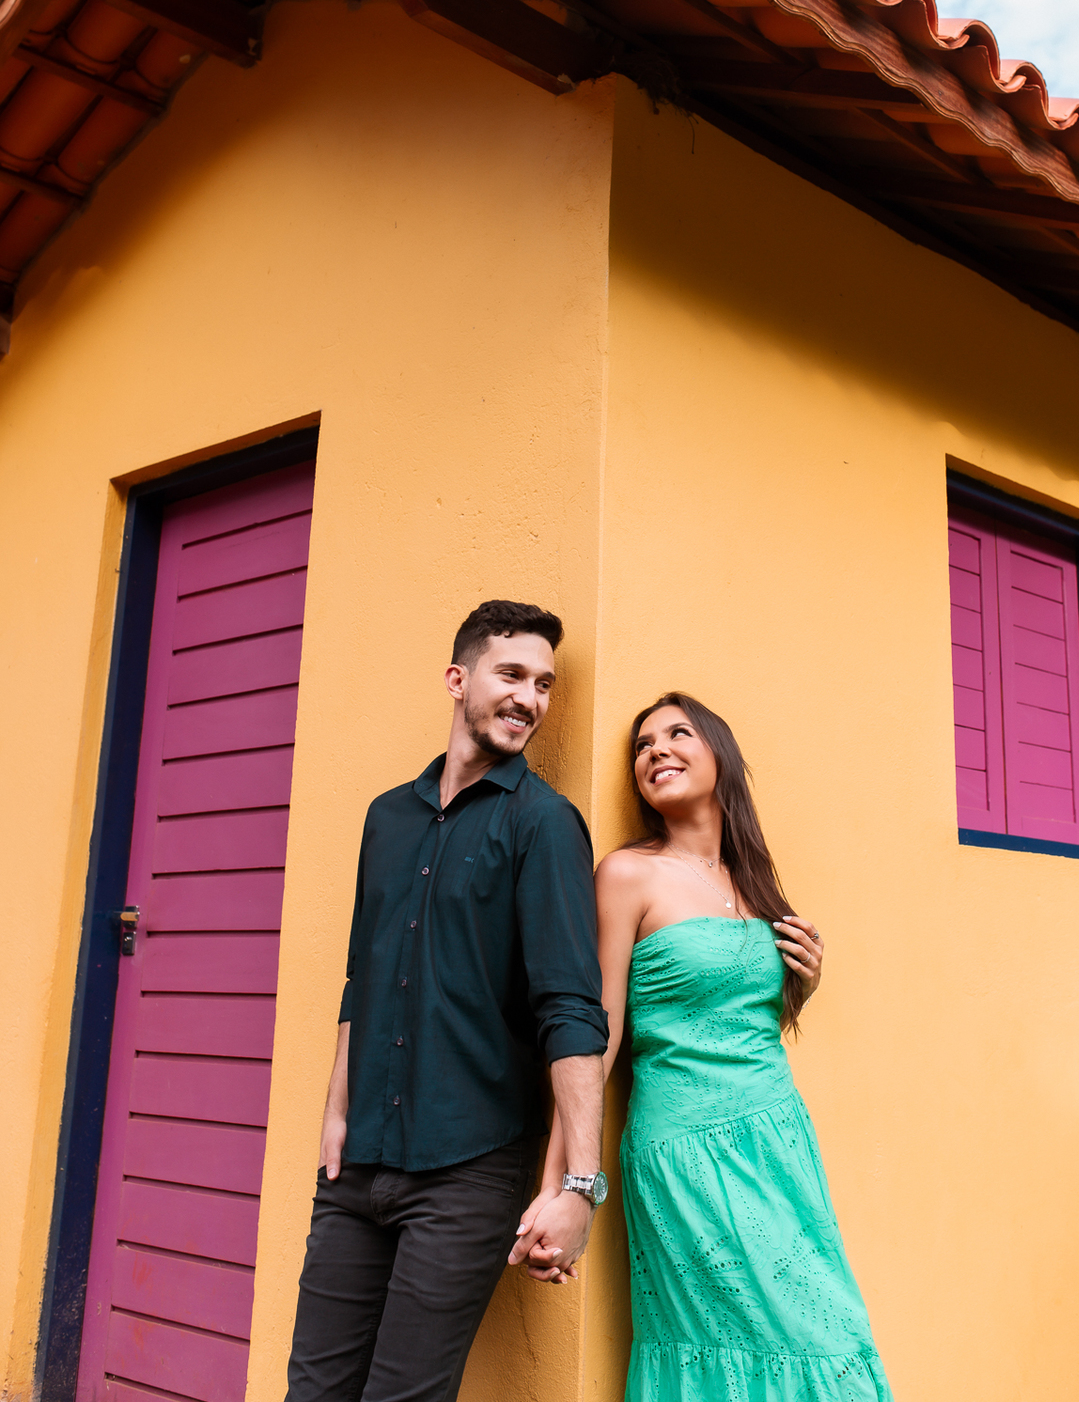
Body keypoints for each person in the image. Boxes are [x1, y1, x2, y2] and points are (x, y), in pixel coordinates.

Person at [512, 691, 893, 1401]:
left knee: (830, 1333)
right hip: (688, 1151)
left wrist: (801, 988)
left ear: (720, 754)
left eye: (677, 733)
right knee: (774, 1341)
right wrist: (564, 1187)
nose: (655, 750)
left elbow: (734, 1016)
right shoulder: (628, 875)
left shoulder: (752, 884)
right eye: (642, 744)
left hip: (779, 1140)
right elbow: (594, 1035)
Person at [285, 600, 610, 1402]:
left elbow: (571, 1011)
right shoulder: (386, 818)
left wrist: (578, 1188)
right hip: (357, 1165)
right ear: (458, 679)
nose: (531, 698)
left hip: (468, 1172)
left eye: (544, 684)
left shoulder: (544, 824)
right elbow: (364, 975)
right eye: (512, 675)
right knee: (311, 1392)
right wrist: (337, 1109)